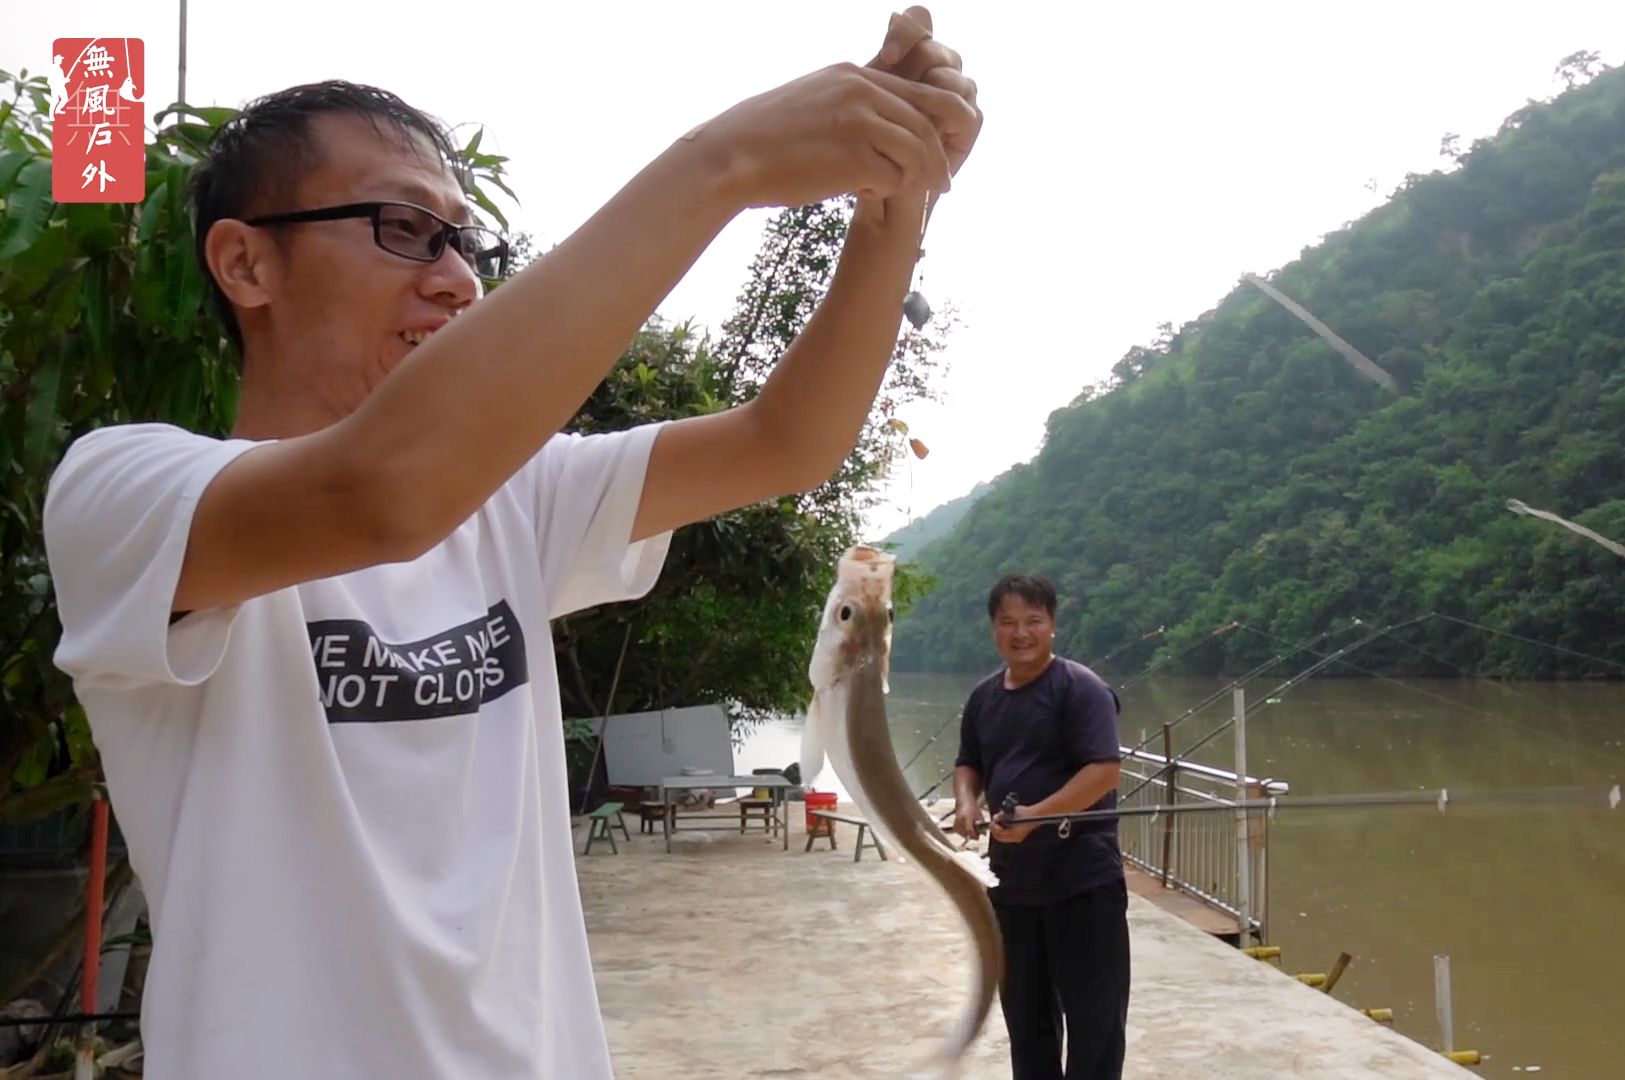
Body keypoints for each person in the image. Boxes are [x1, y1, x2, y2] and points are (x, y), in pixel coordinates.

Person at [41, 9, 980, 1079]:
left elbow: (787, 440)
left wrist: (897, 200)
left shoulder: (511, 498)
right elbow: (383, 489)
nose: (454, 278)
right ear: (246, 264)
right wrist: (725, 164)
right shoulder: (128, 493)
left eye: (463, 242)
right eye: (403, 228)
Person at [954, 574, 1130, 1080]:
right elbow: (969, 764)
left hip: (1083, 886)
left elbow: (1104, 770)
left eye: (1033, 620)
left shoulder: (1082, 689)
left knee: (1095, 1026)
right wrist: (967, 803)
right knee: (1027, 1027)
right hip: (1011, 890)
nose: (1021, 632)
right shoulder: (985, 697)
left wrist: (1038, 815)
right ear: (993, 629)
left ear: (1052, 625)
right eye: (1008, 622)